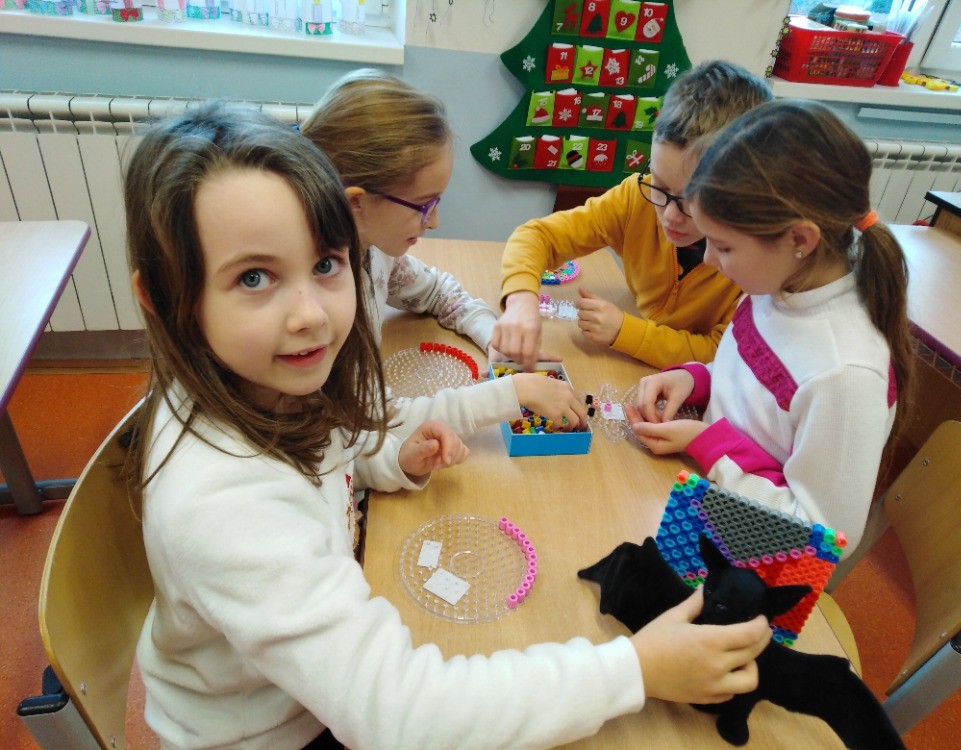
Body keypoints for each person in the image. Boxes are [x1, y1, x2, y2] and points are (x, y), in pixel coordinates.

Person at [125, 103, 772, 750]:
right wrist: (634, 670)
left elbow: (339, 448)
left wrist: (392, 458)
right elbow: (400, 715)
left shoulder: (273, 384)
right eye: (254, 278)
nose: (310, 316)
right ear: (161, 295)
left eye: (325, 265)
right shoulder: (227, 502)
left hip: (312, 686)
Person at [626, 99, 915, 558]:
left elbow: (823, 540)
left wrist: (708, 444)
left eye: (723, 247)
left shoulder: (845, 374)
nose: (708, 260)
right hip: (705, 494)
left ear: (799, 240)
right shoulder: (779, 281)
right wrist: (698, 379)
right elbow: (759, 390)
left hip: (747, 562)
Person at [302, 69, 587, 435]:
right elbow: (372, 422)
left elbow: (439, 294)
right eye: (424, 205)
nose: (435, 221)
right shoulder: (320, 303)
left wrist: (493, 338)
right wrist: (508, 395)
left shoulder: (373, 249)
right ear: (356, 203)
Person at [492, 60, 774, 372]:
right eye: (660, 186)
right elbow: (537, 236)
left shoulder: (754, 259)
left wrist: (626, 332)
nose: (669, 215)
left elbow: (721, 354)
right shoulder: (635, 198)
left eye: (692, 201)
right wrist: (520, 300)